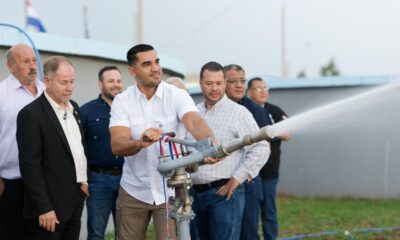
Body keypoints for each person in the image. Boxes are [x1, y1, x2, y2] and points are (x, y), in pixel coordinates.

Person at [109, 44, 215, 240]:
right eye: (147, 64)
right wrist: (140, 142)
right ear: (133, 71)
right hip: (134, 191)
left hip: (171, 191)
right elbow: (117, 144)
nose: (155, 68)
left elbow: (193, 120)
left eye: (157, 62)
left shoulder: (176, 95)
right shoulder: (122, 101)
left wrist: (211, 143)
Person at [189, 61, 269, 240]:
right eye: (209, 84)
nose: (214, 88)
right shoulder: (193, 114)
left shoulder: (238, 113)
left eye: (218, 83)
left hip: (224, 194)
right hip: (194, 195)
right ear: (200, 84)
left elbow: (261, 147)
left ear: (224, 83)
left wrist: (237, 178)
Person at [16, 56, 89, 240]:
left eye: (72, 82)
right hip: (50, 208)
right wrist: (44, 208)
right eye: (64, 82)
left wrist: (84, 182)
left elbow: (78, 147)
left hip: (75, 199)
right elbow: (30, 166)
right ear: (47, 81)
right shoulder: (30, 114)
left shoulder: (74, 108)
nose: (70, 87)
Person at [0, 43, 45, 240]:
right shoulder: (2, 94)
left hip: (44, 182)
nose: (32, 65)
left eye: (34, 60)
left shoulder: (47, 91)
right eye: (26, 61)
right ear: (11, 66)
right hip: (11, 183)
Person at [223, 64, 270, 240]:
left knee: (248, 232)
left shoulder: (255, 110)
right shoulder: (215, 109)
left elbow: (265, 148)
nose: (239, 85)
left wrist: (242, 176)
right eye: (233, 81)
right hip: (220, 184)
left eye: (242, 81)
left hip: (248, 183)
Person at [80, 66, 124, 240]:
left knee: (127, 233)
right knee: (96, 233)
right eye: (111, 81)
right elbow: (79, 148)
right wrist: (83, 180)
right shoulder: (86, 111)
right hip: (98, 181)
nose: (116, 85)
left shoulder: (130, 108)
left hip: (127, 179)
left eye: (119, 81)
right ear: (100, 84)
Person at [247, 77, 291, 240]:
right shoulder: (244, 110)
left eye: (265, 87)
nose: (263, 91)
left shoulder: (275, 111)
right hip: (249, 173)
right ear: (249, 92)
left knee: (269, 210)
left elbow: (287, 134)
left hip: (269, 172)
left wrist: (268, 129)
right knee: (250, 212)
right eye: (258, 88)